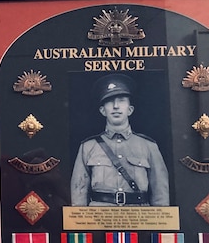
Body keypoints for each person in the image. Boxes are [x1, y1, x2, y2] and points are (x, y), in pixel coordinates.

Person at [70, 74, 169, 206]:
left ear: (130, 110)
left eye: (121, 100)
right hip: (99, 221)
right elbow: (78, 195)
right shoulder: (88, 147)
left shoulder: (148, 146)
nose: (116, 106)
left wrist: (159, 225)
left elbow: (160, 195)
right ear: (102, 110)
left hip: (139, 220)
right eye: (110, 101)